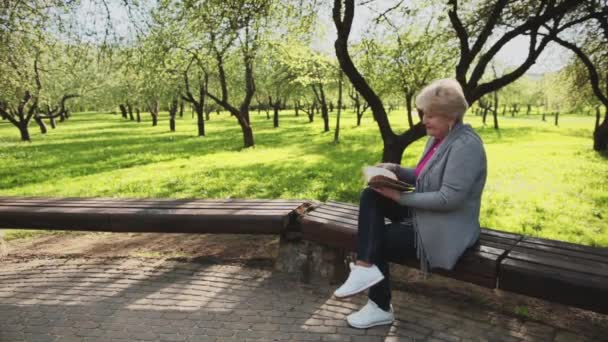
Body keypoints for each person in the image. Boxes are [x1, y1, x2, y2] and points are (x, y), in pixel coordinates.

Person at [333, 78, 487, 329]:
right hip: (427, 213)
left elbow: (450, 198)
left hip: (448, 227)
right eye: (423, 113)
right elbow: (425, 175)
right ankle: (364, 267)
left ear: (451, 116)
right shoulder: (439, 138)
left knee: (376, 238)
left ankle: (380, 306)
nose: (424, 120)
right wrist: (394, 170)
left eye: (431, 115)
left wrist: (400, 197)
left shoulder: (466, 146)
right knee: (371, 195)